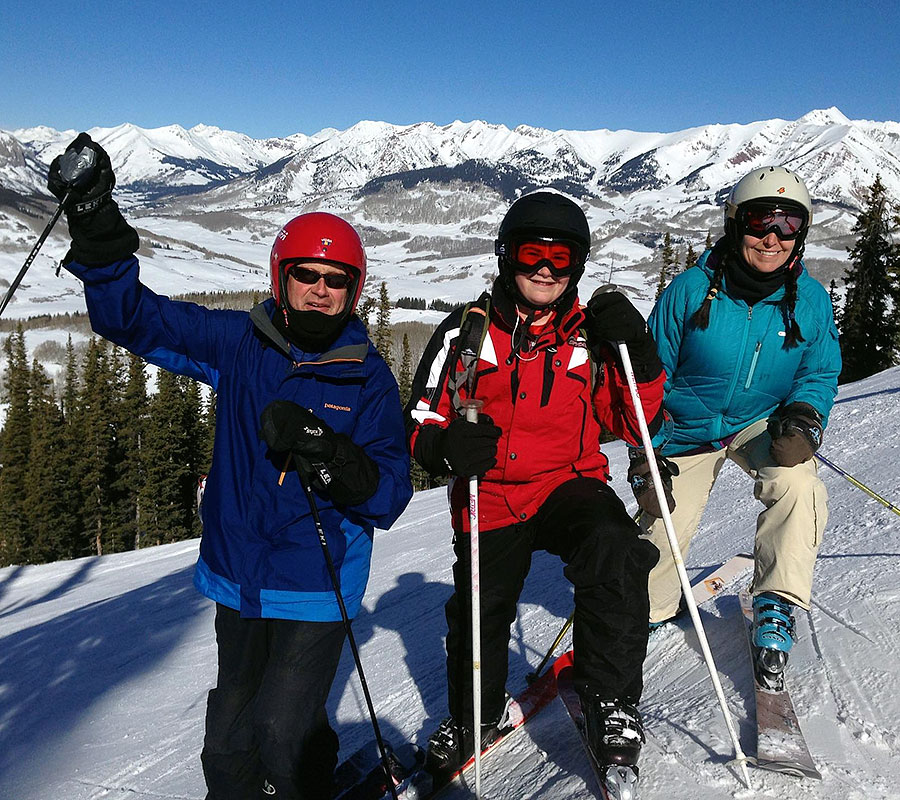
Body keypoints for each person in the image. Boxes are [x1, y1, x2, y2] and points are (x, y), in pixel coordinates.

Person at [47, 133, 413, 800]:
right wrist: (96, 216)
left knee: (283, 732)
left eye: (337, 281)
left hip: (315, 580)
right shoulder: (240, 345)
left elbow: (389, 493)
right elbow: (134, 320)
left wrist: (327, 452)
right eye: (307, 274)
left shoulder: (368, 379)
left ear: (354, 291)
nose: (321, 291)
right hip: (237, 573)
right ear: (282, 276)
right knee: (229, 740)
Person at [404, 191, 665, 776]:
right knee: (479, 607)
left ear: (578, 264)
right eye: (531, 253)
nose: (546, 269)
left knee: (615, 551)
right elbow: (420, 421)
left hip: (567, 481)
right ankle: (474, 713)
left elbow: (635, 424)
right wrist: (445, 445)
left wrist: (640, 357)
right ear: (507, 257)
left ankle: (612, 699)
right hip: (491, 492)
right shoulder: (467, 335)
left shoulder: (589, 337)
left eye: (562, 257)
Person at [636, 165, 841, 686]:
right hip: (685, 428)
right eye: (758, 222)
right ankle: (652, 609)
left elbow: (819, 370)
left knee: (799, 484)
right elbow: (648, 376)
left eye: (788, 224)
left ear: (802, 232)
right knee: (660, 536)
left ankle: (775, 602)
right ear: (735, 224)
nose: (772, 237)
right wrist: (647, 449)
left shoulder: (810, 301)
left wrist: (804, 414)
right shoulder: (691, 291)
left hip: (758, 423)